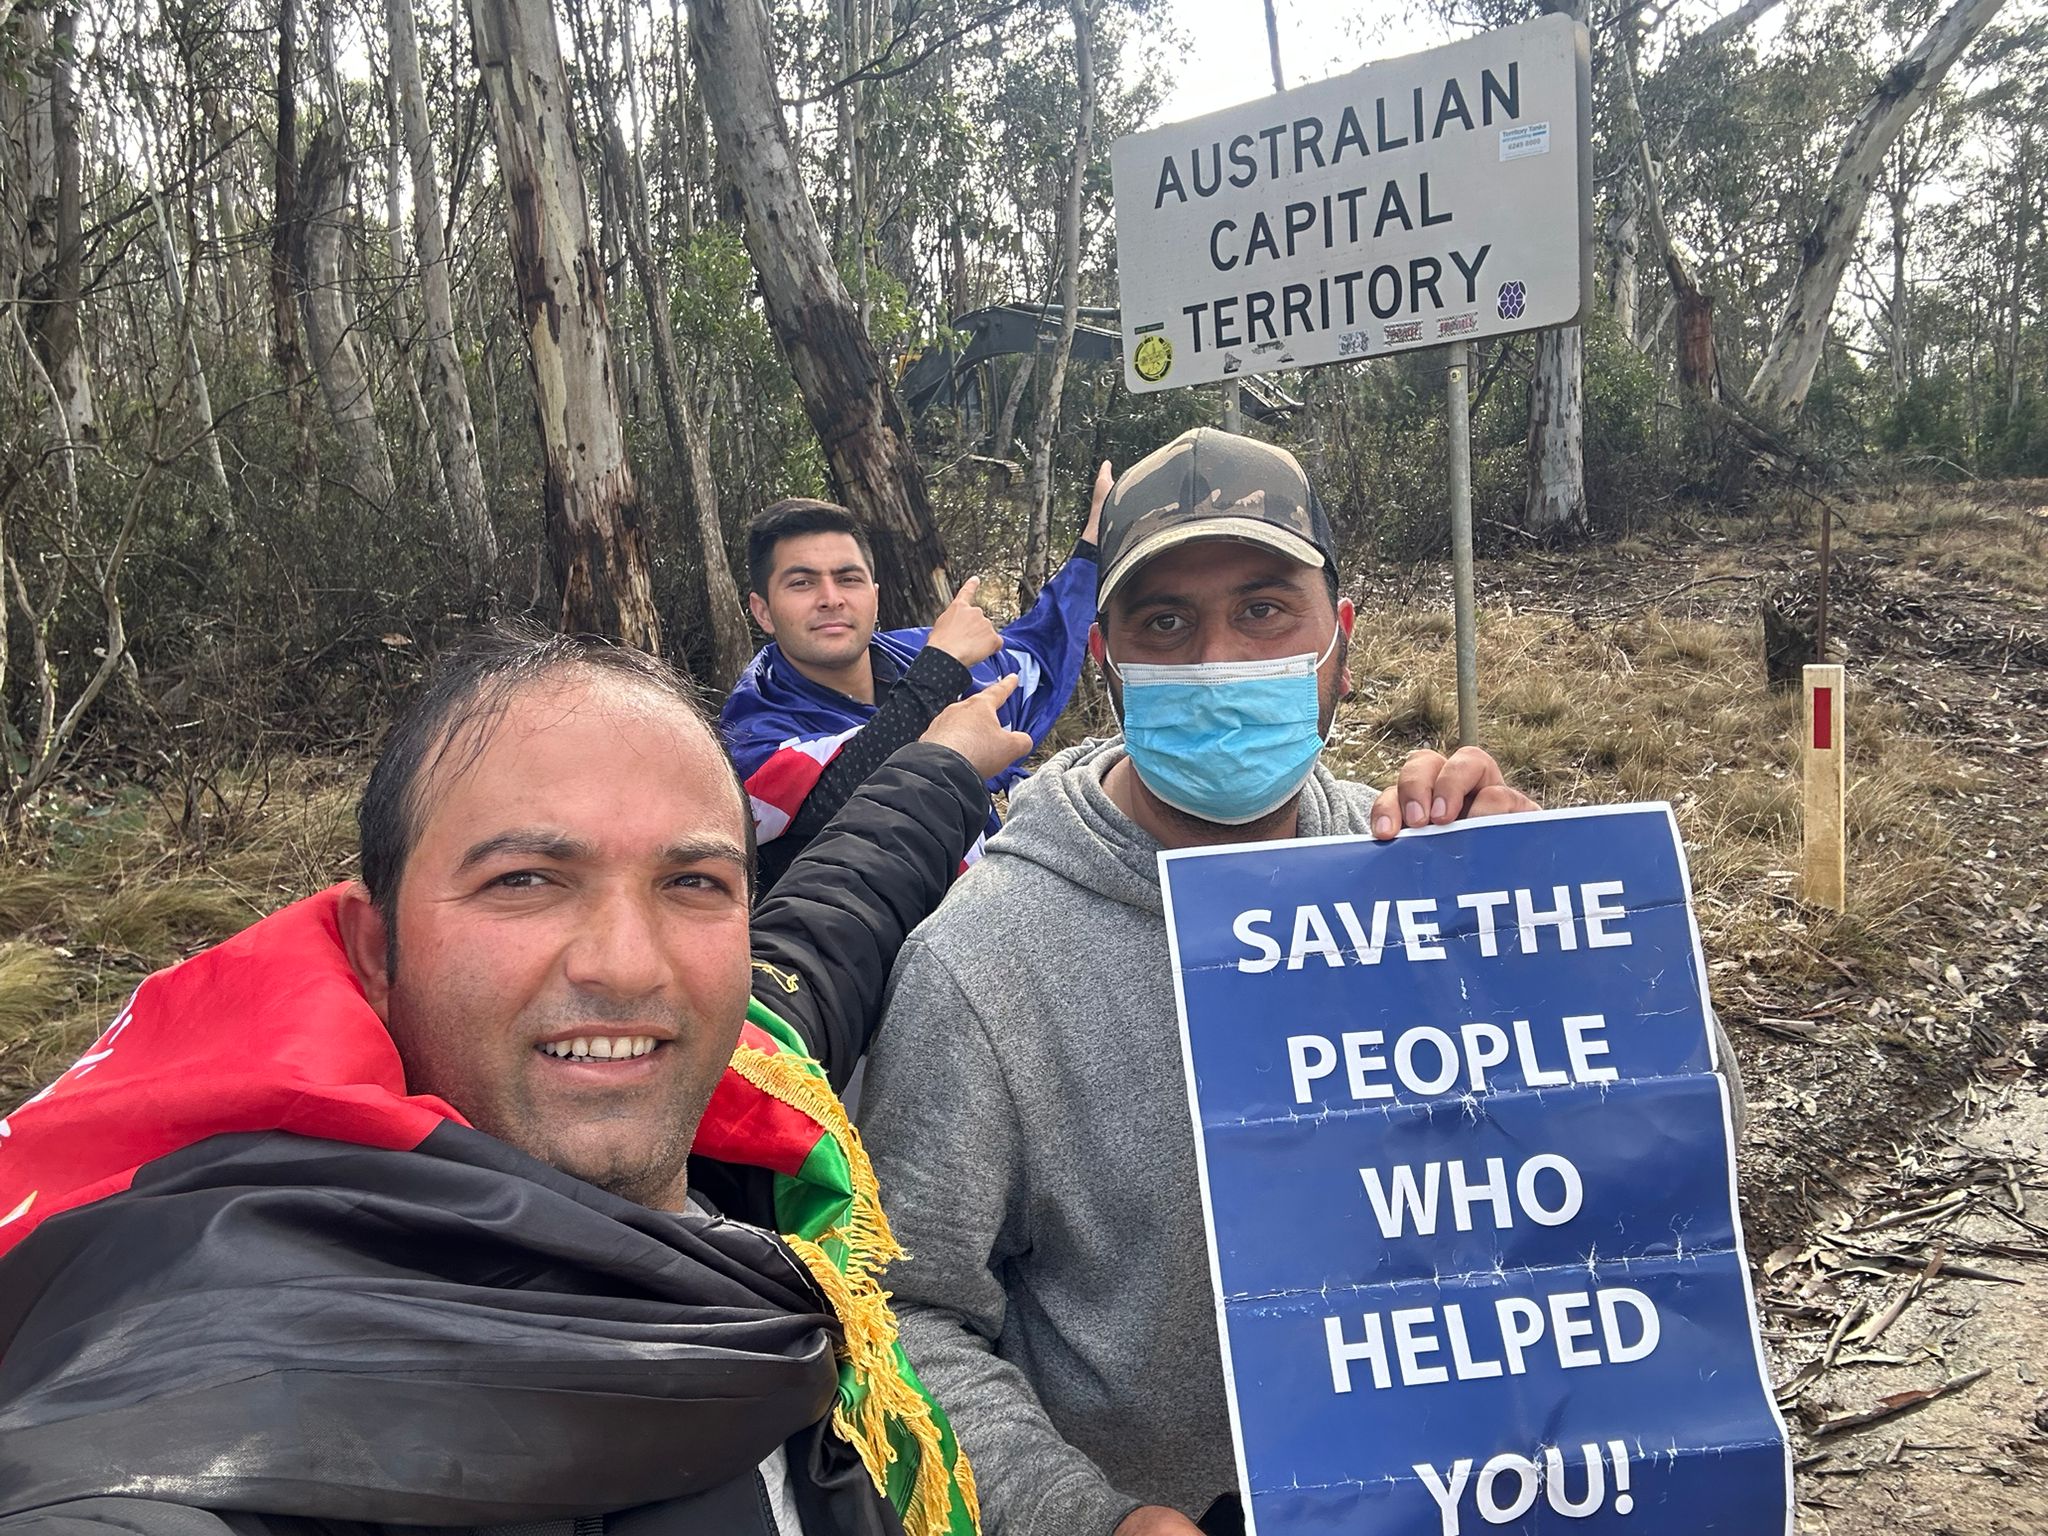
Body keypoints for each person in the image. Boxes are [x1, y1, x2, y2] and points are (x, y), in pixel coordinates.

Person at [855, 428, 1748, 1536]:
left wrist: (1556, 946)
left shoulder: (1426, 882)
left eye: (1265, 608)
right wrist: (1084, 1520)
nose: (1217, 659)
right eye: (1165, 621)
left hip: (1469, 1492)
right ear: (1102, 655)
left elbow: (1688, 1168)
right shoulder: (983, 962)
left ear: (1341, 640)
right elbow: (899, 1317)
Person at [0, 624, 1034, 1536]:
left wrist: (940, 765)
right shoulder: (219, 1369)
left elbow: (835, 915)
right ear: (374, 949)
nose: (628, 965)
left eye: (692, 883)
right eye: (526, 882)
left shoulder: (749, 1106)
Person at [722, 474, 1106, 894]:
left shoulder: (915, 654)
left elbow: (1038, 651)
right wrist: (940, 671)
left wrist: (1092, 547)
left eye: (848, 579)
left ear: (874, 596)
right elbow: (830, 802)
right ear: (762, 611)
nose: (831, 597)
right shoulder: (751, 725)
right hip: (874, 945)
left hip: (996, 907)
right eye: (802, 583)